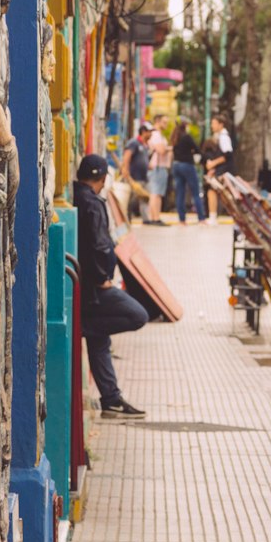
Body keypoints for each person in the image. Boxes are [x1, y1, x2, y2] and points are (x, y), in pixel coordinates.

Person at [73, 154, 148, 417]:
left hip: (84, 285)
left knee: (100, 340)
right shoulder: (93, 204)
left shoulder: (75, 197)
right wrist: (103, 277)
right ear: (103, 178)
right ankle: (83, 327)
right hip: (95, 288)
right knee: (138, 315)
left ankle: (111, 398)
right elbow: (98, 244)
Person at [171, 119, 207, 225]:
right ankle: (201, 218)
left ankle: (182, 220)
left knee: (180, 194)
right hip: (187, 165)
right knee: (195, 192)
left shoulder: (174, 137)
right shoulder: (186, 137)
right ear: (185, 126)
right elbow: (197, 149)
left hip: (176, 165)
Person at [119, 121, 152, 223]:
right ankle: (127, 218)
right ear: (143, 131)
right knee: (131, 200)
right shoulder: (133, 143)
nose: (151, 134)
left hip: (144, 177)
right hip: (133, 177)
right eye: (149, 132)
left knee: (145, 198)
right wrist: (125, 170)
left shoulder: (145, 145)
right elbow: (127, 156)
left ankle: (146, 219)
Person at [146, 113, 172, 225]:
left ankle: (155, 216)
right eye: (164, 122)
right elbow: (161, 150)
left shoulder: (159, 135)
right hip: (157, 167)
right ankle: (155, 218)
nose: (166, 125)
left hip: (160, 167)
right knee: (155, 193)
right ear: (157, 122)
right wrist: (170, 148)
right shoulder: (156, 135)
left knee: (157, 193)